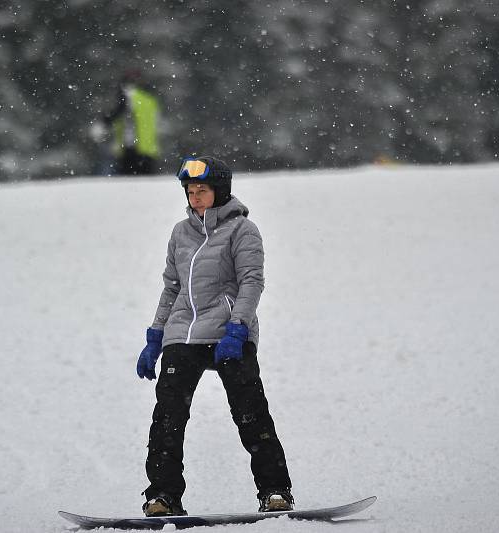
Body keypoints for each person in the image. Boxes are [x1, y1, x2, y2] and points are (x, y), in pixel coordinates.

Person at [136, 156, 294, 516]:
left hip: (228, 332)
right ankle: (162, 496)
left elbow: (251, 282)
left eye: (202, 191)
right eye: (190, 192)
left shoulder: (243, 230)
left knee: (250, 413)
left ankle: (274, 491)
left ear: (220, 191)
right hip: (183, 333)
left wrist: (237, 328)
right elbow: (172, 288)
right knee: (167, 417)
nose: (195, 197)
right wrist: (156, 335)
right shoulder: (181, 232)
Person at [102, 70, 161, 175]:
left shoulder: (129, 96)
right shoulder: (151, 100)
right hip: (148, 149)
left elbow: (116, 114)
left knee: (128, 184)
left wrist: (105, 121)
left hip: (130, 150)